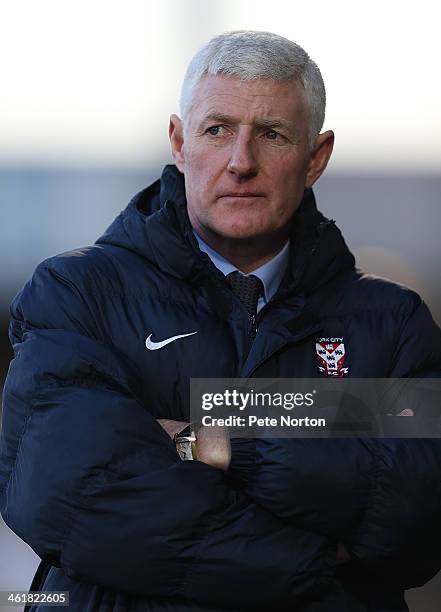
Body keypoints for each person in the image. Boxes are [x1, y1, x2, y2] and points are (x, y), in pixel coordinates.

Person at [1, 30, 441, 612]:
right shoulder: (78, 294)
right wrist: (313, 557)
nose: (241, 162)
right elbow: (74, 493)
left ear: (316, 157)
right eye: (217, 130)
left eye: (273, 134)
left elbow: (417, 509)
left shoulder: (392, 321)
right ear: (180, 144)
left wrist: (212, 440)